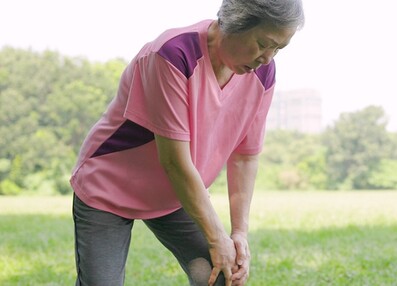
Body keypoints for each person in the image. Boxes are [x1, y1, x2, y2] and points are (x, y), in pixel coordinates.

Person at [70, 0, 305, 285]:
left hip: (177, 195)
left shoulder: (263, 74)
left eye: (279, 48)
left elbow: (245, 156)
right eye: (262, 43)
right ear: (235, 22)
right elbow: (174, 162)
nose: (267, 58)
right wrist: (217, 238)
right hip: (109, 187)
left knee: (221, 276)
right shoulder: (173, 54)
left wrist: (238, 233)